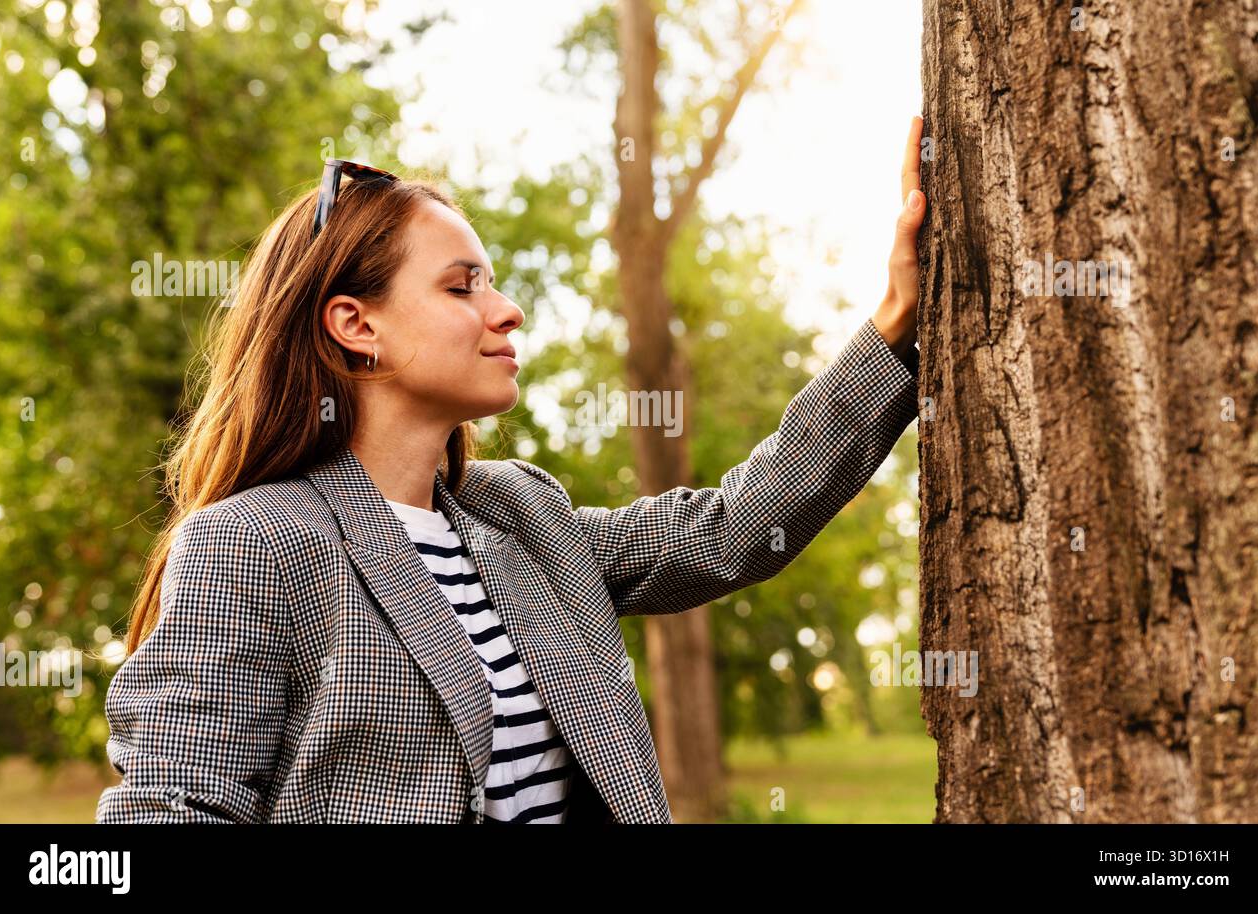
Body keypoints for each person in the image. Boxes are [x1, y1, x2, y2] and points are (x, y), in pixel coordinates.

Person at [95, 117, 928, 824]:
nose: (506, 309)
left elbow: (732, 530)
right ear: (355, 324)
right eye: (461, 287)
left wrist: (893, 328)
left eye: (491, 282)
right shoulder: (251, 544)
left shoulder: (521, 515)